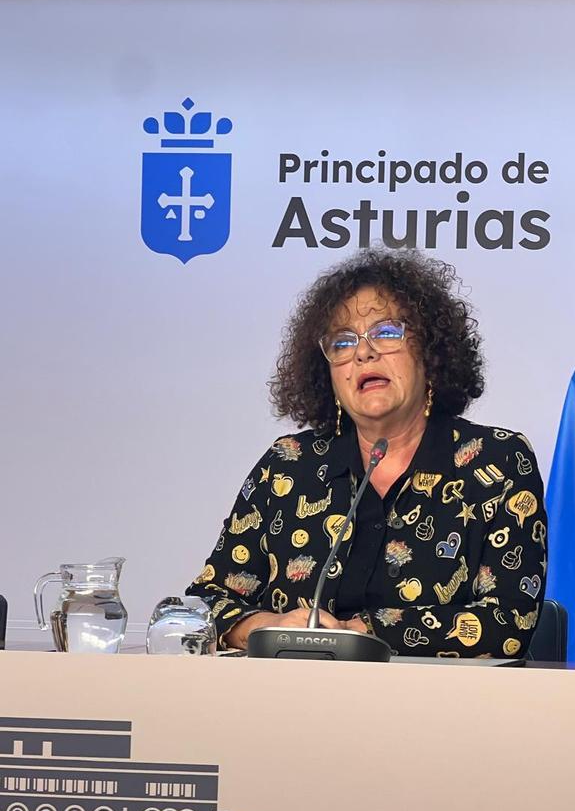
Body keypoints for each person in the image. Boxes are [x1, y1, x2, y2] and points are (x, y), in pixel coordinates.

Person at [187, 248, 547, 657]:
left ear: (429, 350)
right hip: (291, 706)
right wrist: (268, 627)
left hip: (442, 711)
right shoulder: (289, 464)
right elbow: (200, 606)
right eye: (343, 342)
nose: (363, 352)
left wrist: (358, 634)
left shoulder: (496, 461)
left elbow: (509, 623)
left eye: (386, 332)